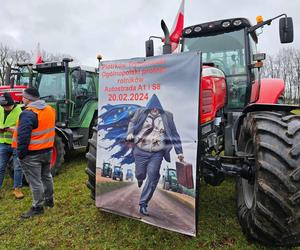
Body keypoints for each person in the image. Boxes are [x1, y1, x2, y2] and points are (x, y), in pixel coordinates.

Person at [126, 94, 184, 216]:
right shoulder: (140, 112)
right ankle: (140, 179)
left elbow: (174, 133)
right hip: (140, 151)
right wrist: (130, 133)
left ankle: (143, 203)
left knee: (153, 176)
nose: (154, 110)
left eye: (157, 108)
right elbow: (132, 122)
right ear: (149, 107)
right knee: (140, 173)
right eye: (152, 108)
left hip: (157, 153)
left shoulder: (168, 116)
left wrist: (179, 152)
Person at [12, 87, 56, 219]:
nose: (22, 99)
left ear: (28, 99)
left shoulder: (28, 113)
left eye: (23, 97)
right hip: (47, 151)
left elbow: (23, 137)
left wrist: (21, 154)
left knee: (35, 181)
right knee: (46, 176)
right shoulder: (49, 109)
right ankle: (49, 200)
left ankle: (37, 207)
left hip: (32, 155)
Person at [0, 92, 24, 199]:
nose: (6, 108)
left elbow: (22, 128)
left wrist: (9, 129)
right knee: (1, 167)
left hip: (15, 144)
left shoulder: (19, 111)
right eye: (4, 106)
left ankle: (17, 189)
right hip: (3, 144)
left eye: (8, 106)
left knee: (17, 167)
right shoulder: (1, 109)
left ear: (12, 103)